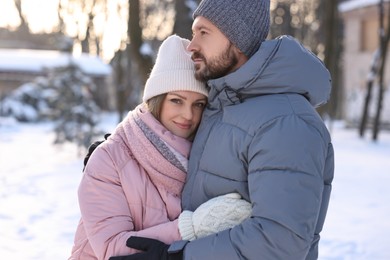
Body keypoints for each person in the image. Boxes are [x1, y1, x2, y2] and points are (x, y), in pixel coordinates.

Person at [117, 0, 335, 259]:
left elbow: (280, 240)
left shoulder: (286, 121)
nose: (192, 46)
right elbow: (173, 142)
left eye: (204, 33)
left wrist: (180, 256)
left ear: (237, 38)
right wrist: (120, 148)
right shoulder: (221, 103)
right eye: (193, 32)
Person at [69, 34, 252, 260]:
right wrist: (191, 227)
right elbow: (110, 249)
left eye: (198, 104)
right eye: (176, 100)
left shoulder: (206, 155)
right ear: (157, 99)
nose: (188, 115)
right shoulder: (109, 159)